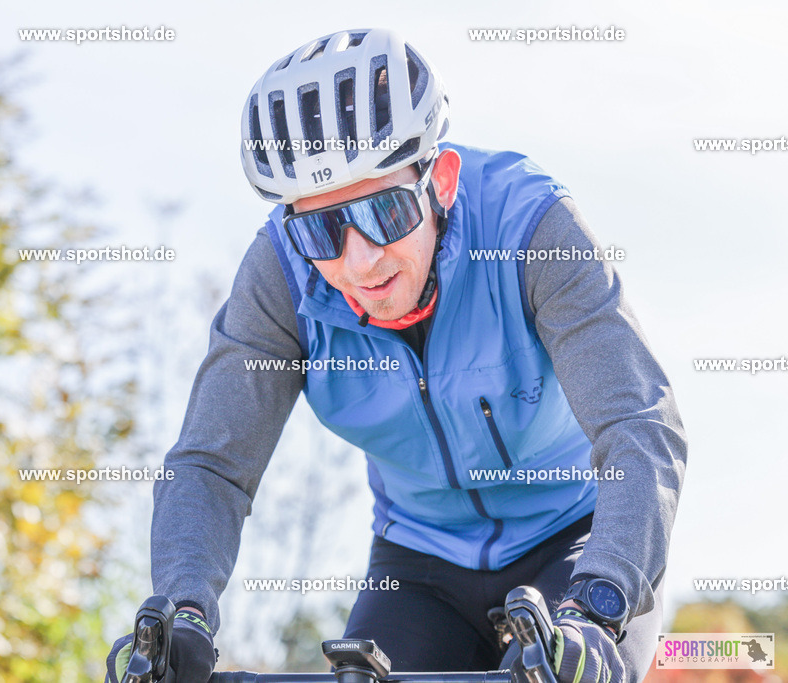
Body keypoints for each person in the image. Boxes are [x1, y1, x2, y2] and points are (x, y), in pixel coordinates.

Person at [108, 28, 686, 683]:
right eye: (323, 227)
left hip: (572, 538)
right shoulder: (281, 275)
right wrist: (184, 611)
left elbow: (639, 425)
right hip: (418, 564)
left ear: (439, 180)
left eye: (383, 211)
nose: (359, 260)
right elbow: (212, 466)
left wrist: (599, 607)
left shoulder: (530, 227)